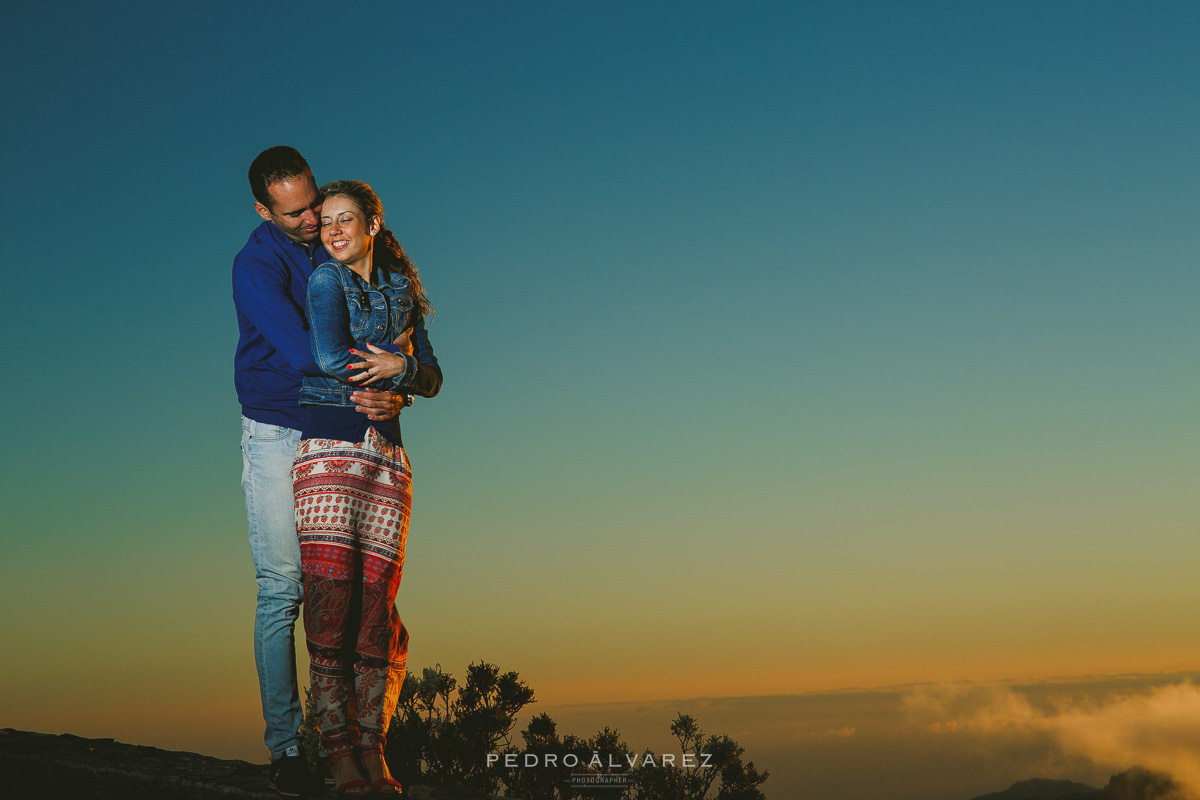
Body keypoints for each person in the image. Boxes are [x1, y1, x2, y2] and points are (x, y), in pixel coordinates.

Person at [233, 147, 407, 797]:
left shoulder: (334, 233)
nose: (311, 221)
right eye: (294, 212)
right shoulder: (255, 264)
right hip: (279, 433)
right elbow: (311, 354)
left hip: (341, 430)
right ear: (263, 210)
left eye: (314, 204)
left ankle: (361, 742)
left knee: (355, 595)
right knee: (284, 588)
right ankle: (287, 747)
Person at [293, 179, 441, 797]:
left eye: (344, 219)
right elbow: (328, 354)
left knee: (377, 610)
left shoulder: (403, 287)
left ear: (372, 224)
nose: (331, 231)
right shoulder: (327, 280)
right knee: (333, 607)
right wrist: (391, 367)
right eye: (325, 220)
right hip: (329, 450)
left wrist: (401, 373)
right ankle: (338, 755)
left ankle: (374, 749)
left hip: (387, 457)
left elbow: (434, 375)